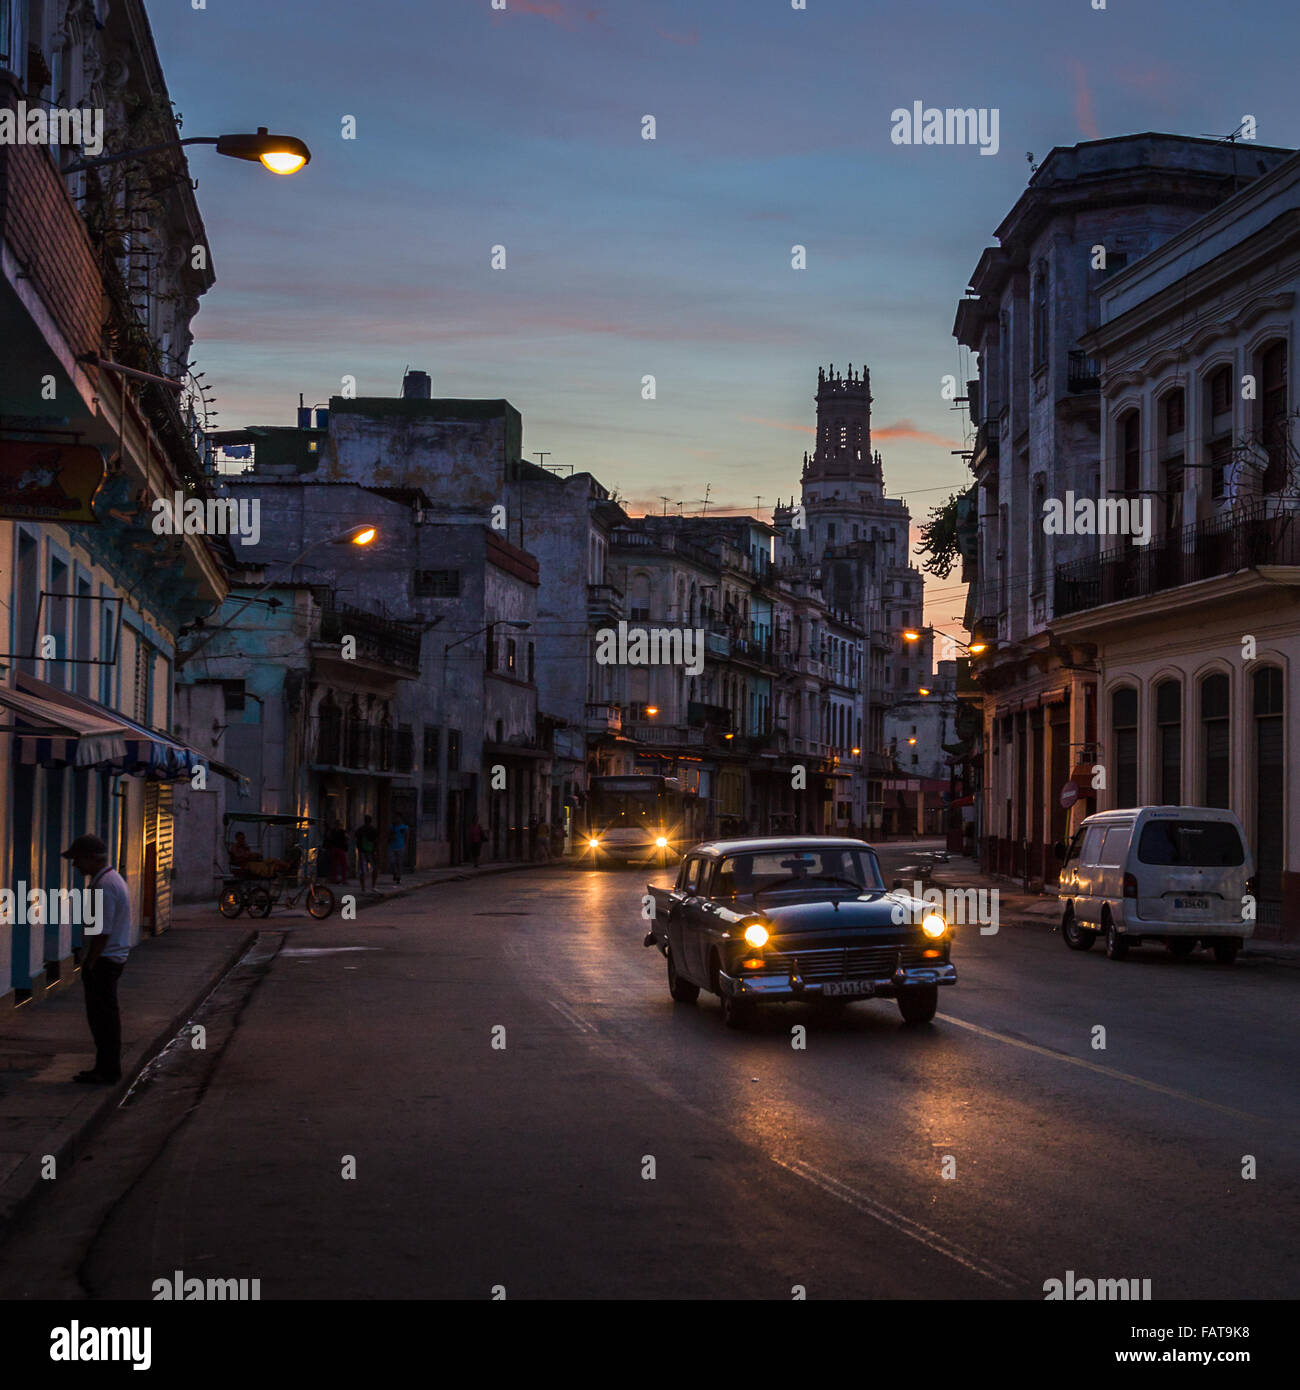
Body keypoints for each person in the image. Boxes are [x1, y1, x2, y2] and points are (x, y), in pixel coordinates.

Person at [63, 834, 131, 1085]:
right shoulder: (110, 881)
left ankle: (108, 1069)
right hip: (109, 958)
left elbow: (101, 932)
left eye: (77, 859)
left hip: (103, 961)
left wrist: (90, 963)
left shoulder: (104, 886)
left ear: (91, 858)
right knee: (103, 1017)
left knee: (102, 1018)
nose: (75, 865)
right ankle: (104, 1067)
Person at [354, 814, 379, 892]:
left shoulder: (360, 829)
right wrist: (376, 851)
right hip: (371, 852)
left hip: (362, 852)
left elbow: (357, 839)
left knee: (362, 871)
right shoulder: (373, 829)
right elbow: (376, 841)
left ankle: (363, 888)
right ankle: (373, 886)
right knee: (375, 869)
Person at [386, 818, 408, 883]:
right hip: (392, 847)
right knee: (392, 862)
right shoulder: (391, 826)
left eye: (398, 818)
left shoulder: (404, 827)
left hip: (400, 847)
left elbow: (407, 837)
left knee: (399, 862)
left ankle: (399, 877)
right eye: (395, 818)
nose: (396, 819)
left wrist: (405, 847)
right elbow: (388, 836)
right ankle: (395, 873)